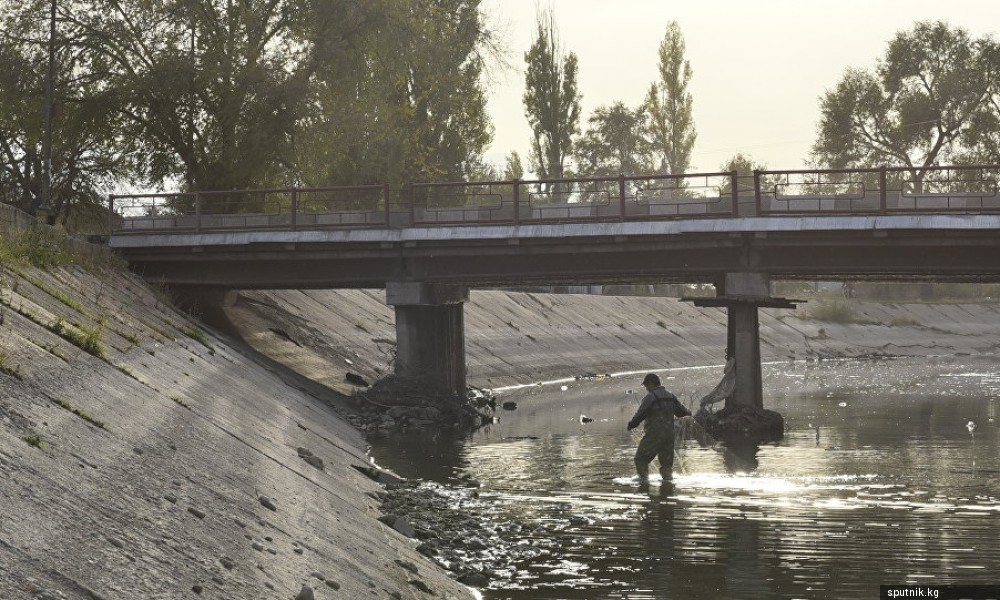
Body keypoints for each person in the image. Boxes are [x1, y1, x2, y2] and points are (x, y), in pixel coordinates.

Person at [627, 373, 691, 482]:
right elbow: (682, 413)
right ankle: (667, 489)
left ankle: (644, 482)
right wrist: (689, 412)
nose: (646, 388)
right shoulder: (670, 396)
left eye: (646, 385)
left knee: (640, 459)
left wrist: (631, 424)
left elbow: (641, 414)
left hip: (654, 435)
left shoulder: (650, 397)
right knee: (666, 465)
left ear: (651, 384)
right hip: (669, 437)